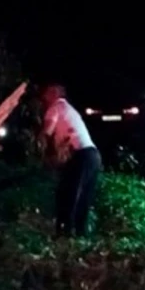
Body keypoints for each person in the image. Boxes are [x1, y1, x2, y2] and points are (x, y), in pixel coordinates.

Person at [39, 83, 102, 237]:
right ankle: (80, 234)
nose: (43, 97)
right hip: (93, 155)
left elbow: (46, 132)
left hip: (81, 156)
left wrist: (43, 152)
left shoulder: (55, 107)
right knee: (83, 197)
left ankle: (64, 233)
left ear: (54, 93)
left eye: (46, 93)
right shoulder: (70, 110)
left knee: (67, 194)